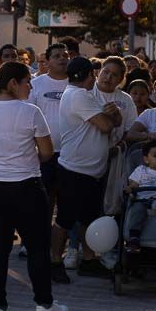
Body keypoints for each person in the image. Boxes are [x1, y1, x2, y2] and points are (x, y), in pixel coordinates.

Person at [0, 62, 67, 311]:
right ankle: (44, 304)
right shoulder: (30, 112)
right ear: (13, 84)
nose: (30, 87)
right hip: (25, 188)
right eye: (26, 82)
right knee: (37, 248)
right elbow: (46, 152)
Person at [51, 57, 121, 279]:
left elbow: (114, 122)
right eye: (94, 73)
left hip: (89, 171)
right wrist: (111, 116)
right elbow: (106, 126)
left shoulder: (84, 95)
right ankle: (54, 263)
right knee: (64, 220)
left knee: (87, 218)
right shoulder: (78, 95)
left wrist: (114, 115)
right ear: (88, 75)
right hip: (74, 171)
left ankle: (89, 260)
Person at [27, 44, 69, 267]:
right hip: (43, 156)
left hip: (70, 156)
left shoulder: (78, 84)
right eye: (57, 56)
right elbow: (28, 117)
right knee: (44, 204)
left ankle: (62, 253)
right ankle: (38, 249)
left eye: (66, 56)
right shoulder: (36, 84)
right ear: (47, 60)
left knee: (67, 206)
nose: (62, 59)